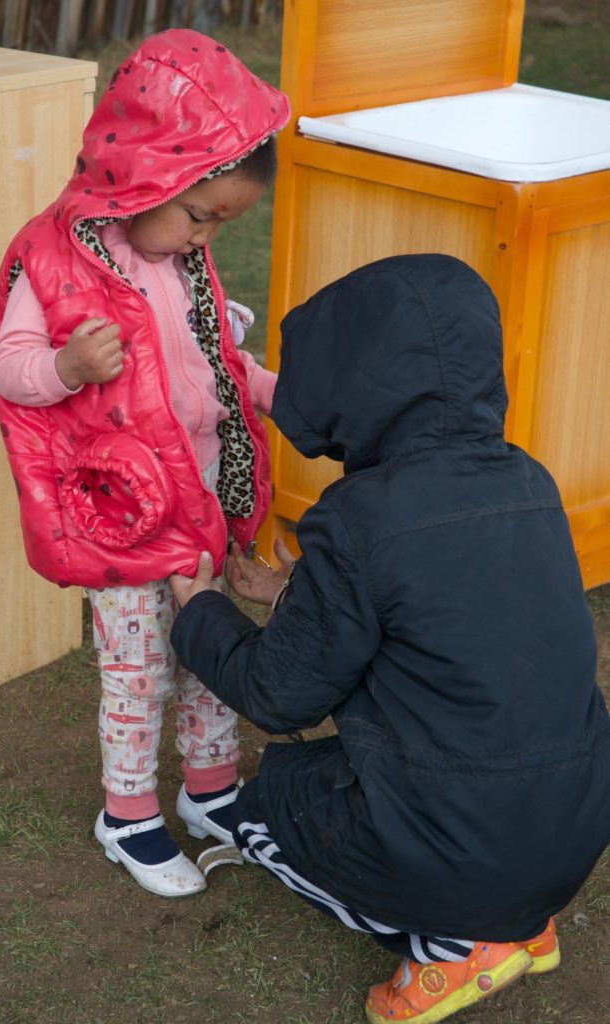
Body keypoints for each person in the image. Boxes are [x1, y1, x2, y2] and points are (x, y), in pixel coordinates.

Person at [169, 254, 610, 1023]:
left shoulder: (360, 514)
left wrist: (198, 610)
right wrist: (292, 591)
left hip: (464, 853)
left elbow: (279, 694)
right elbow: (445, 611)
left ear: (352, 380)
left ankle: (455, 945)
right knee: (449, 769)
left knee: (273, 801)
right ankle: (520, 921)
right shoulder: (527, 481)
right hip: (574, 822)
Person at [0, 29, 290, 898]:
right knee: (138, 667)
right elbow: (9, 367)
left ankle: (211, 790)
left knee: (209, 649)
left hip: (198, 499)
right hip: (117, 511)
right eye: (201, 215)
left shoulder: (179, 258)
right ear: (144, 174)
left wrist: (273, 391)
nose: (205, 237)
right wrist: (67, 369)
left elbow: (214, 365)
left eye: (221, 223)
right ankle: (126, 814)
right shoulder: (49, 258)